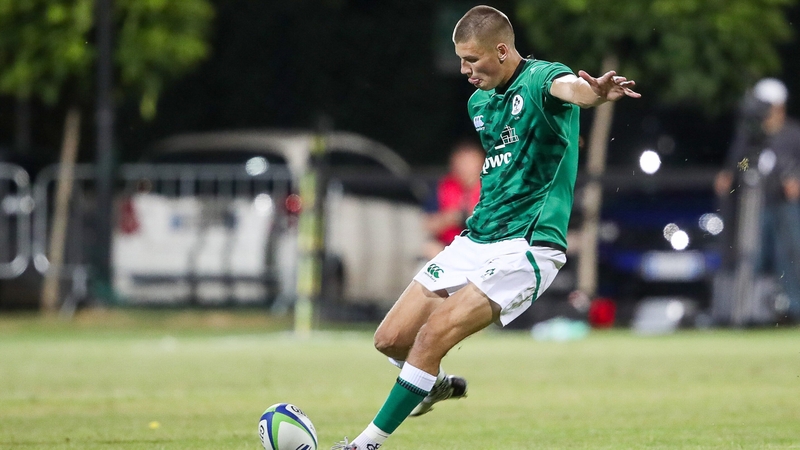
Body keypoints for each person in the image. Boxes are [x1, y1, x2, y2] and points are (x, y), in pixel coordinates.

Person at [332, 6, 640, 449]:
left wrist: (595, 93)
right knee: (390, 340)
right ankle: (432, 384)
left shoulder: (539, 78)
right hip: (477, 238)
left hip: (527, 245)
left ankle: (364, 444)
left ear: (501, 50)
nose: (465, 70)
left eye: (471, 59)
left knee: (432, 336)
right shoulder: (479, 103)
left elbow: (572, 89)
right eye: (461, 60)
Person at [714, 78, 800, 322]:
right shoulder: (750, 136)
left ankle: (794, 308)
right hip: (756, 204)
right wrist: (734, 173)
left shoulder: (793, 134)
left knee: (789, 254)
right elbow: (741, 162)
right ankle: (751, 308)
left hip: (785, 204)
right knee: (752, 254)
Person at [422, 140, 484, 259]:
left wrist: (471, 216)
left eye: (469, 163)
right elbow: (427, 223)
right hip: (448, 245)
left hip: (482, 246)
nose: (465, 168)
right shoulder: (443, 187)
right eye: (462, 163)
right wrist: (448, 218)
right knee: (429, 249)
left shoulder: (491, 189)